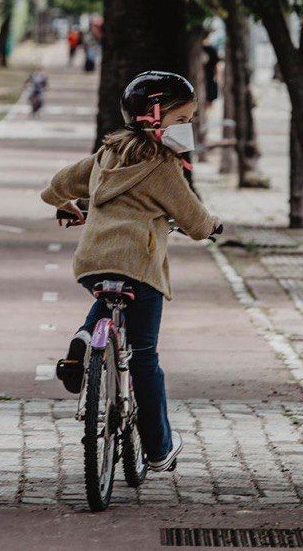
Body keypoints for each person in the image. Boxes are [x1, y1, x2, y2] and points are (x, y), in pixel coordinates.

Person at [40, 71, 221, 473]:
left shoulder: (107, 154)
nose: (187, 129)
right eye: (183, 120)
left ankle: (86, 338)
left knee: (106, 300)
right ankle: (158, 449)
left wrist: (66, 204)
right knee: (144, 358)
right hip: (139, 267)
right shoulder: (163, 167)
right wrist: (212, 227)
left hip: (93, 262)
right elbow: (192, 219)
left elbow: (58, 184)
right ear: (155, 119)